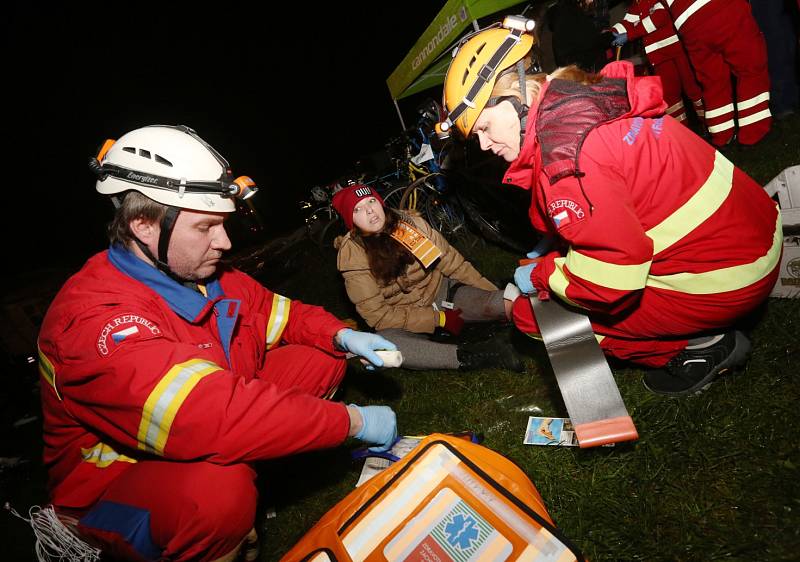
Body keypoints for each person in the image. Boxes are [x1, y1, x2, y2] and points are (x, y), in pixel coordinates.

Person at [37, 125, 400, 561]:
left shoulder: (203, 275)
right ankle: (223, 527)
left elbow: (283, 315)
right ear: (143, 225)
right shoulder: (94, 320)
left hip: (207, 425)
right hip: (116, 485)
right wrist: (352, 422)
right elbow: (207, 415)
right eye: (206, 227)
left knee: (322, 356)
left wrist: (343, 335)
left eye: (223, 225)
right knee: (216, 497)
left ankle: (256, 474)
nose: (225, 242)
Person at [436, 18, 782, 396]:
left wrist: (541, 277)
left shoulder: (564, 161)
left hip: (730, 275)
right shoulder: (575, 97)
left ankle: (697, 350)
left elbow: (612, 283)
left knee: (531, 316)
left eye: (485, 127)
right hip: (754, 229)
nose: (485, 145)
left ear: (516, 97)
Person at [331, 183, 524, 372]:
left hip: (442, 294)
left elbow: (451, 262)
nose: (370, 211)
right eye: (358, 209)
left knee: (502, 302)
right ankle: (480, 353)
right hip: (403, 319)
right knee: (388, 345)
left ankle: (535, 316)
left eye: (372, 201)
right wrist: (438, 319)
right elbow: (378, 315)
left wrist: (488, 292)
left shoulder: (407, 226)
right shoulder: (353, 256)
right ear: (351, 222)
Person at [666, 0, 772, 147]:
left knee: (713, 83)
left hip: (687, 22)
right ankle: (753, 131)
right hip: (720, 6)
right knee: (750, 66)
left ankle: (721, 135)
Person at [610, 0, 704, 127]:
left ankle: (707, 124)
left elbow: (659, 18)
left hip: (678, 49)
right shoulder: (637, 4)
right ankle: (680, 131)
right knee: (670, 98)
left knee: (694, 89)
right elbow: (629, 21)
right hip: (658, 56)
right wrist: (612, 32)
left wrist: (630, 34)